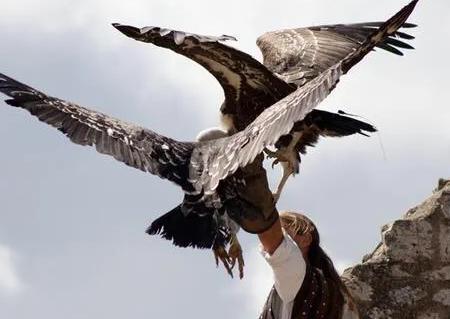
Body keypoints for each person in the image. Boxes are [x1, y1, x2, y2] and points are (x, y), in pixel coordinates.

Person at [258, 211, 359, 319]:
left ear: (305, 240)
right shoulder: (339, 295)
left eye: (283, 231)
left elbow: (275, 243)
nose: (279, 235)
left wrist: (260, 211)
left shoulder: (296, 274)